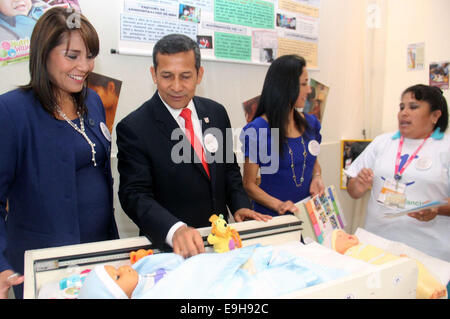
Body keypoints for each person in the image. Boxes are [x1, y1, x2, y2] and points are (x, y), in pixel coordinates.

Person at [116, 34, 271, 260]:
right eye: (167, 76)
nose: (176, 86)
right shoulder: (135, 127)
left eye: (185, 76)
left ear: (199, 75)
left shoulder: (216, 113)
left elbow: (229, 171)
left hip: (220, 244)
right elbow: (134, 195)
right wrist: (174, 229)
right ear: (153, 74)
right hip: (170, 252)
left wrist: (239, 205)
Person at [0, 7, 119, 299]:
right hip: (46, 267)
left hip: (100, 256)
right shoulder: (12, 111)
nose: (86, 66)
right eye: (73, 56)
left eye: (90, 55)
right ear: (43, 53)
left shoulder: (92, 101)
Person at [346, 84, 450, 263]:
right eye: (401, 107)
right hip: (377, 247)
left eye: (413, 107)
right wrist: (358, 185)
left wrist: (437, 207)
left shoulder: (445, 148)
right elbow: (352, 190)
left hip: (429, 254)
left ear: (435, 115)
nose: (404, 113)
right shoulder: (382, 142)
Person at [240, 54, 325, 217]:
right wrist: (279, 205)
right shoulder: (258, 130)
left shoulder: (311, 123)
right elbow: (249, 184)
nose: (309, 90)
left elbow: (313, 161)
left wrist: (317, 176)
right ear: (286, 87)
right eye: (304, 84)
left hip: (307, 217)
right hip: (273, 218)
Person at [331, 229, 447, 299]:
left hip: (392, 260)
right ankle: (429, 294)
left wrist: (397, 258)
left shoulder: (362, 246)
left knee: (417, 267)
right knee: (408, 279)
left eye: (345, 233)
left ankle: (435, 287)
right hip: (385, 269)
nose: (347, 235)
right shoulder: (348, 257)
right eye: (340, 237)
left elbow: (382, 253)